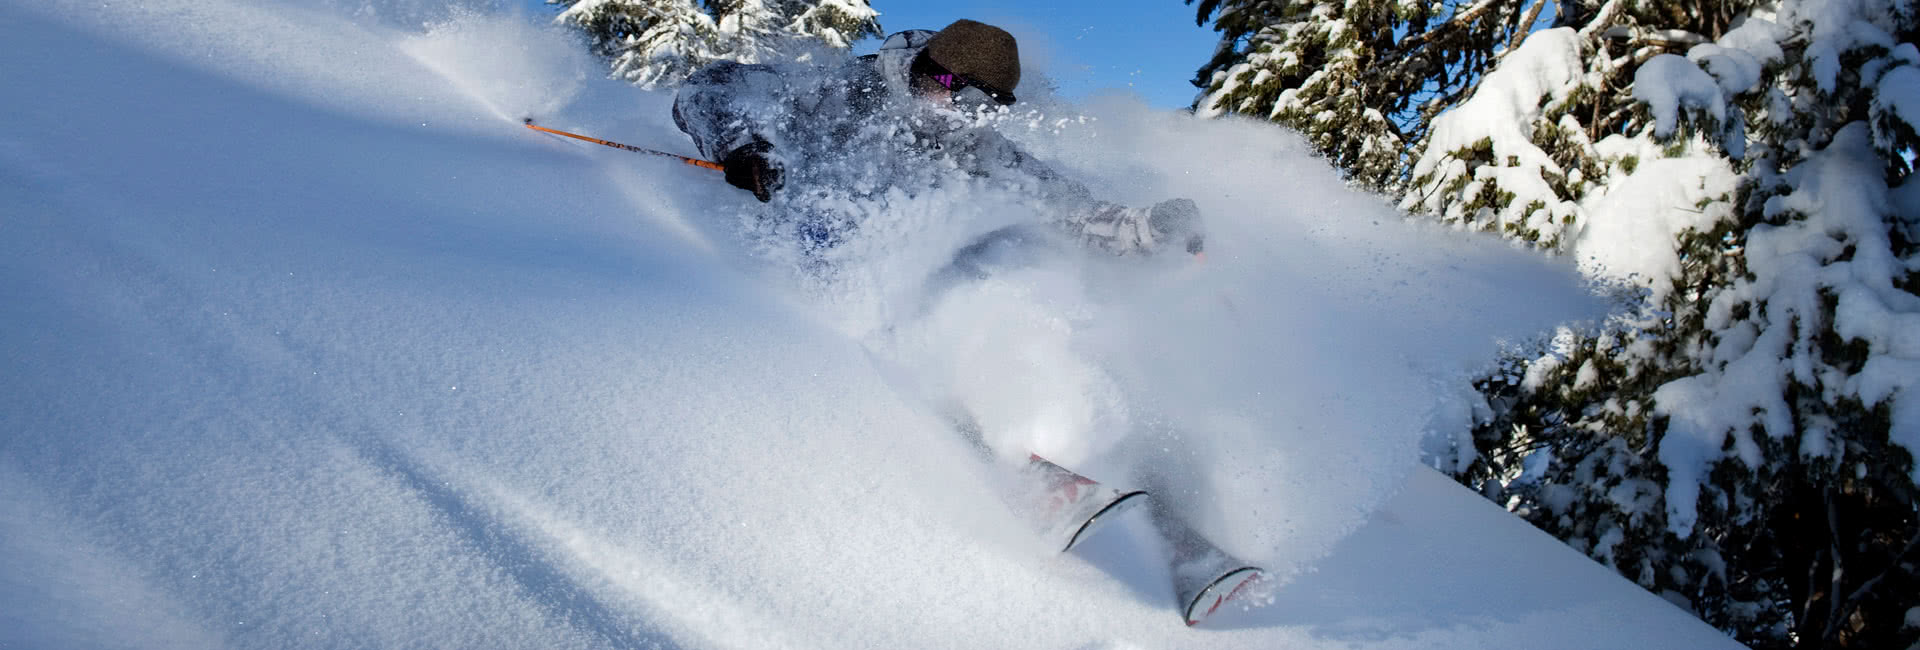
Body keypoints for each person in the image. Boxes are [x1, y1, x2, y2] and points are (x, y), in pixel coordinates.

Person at [671, 19, 1204, 258]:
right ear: (929, 69)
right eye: (954, 90)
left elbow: (1057, 203)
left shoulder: (968, 143)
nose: (958, 113)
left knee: (996, 261)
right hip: (794, 243)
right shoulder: (837, 89)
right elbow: (705, 89)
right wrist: (743, 146)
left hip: (892, 265)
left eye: (982, 105)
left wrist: (1147, 229)